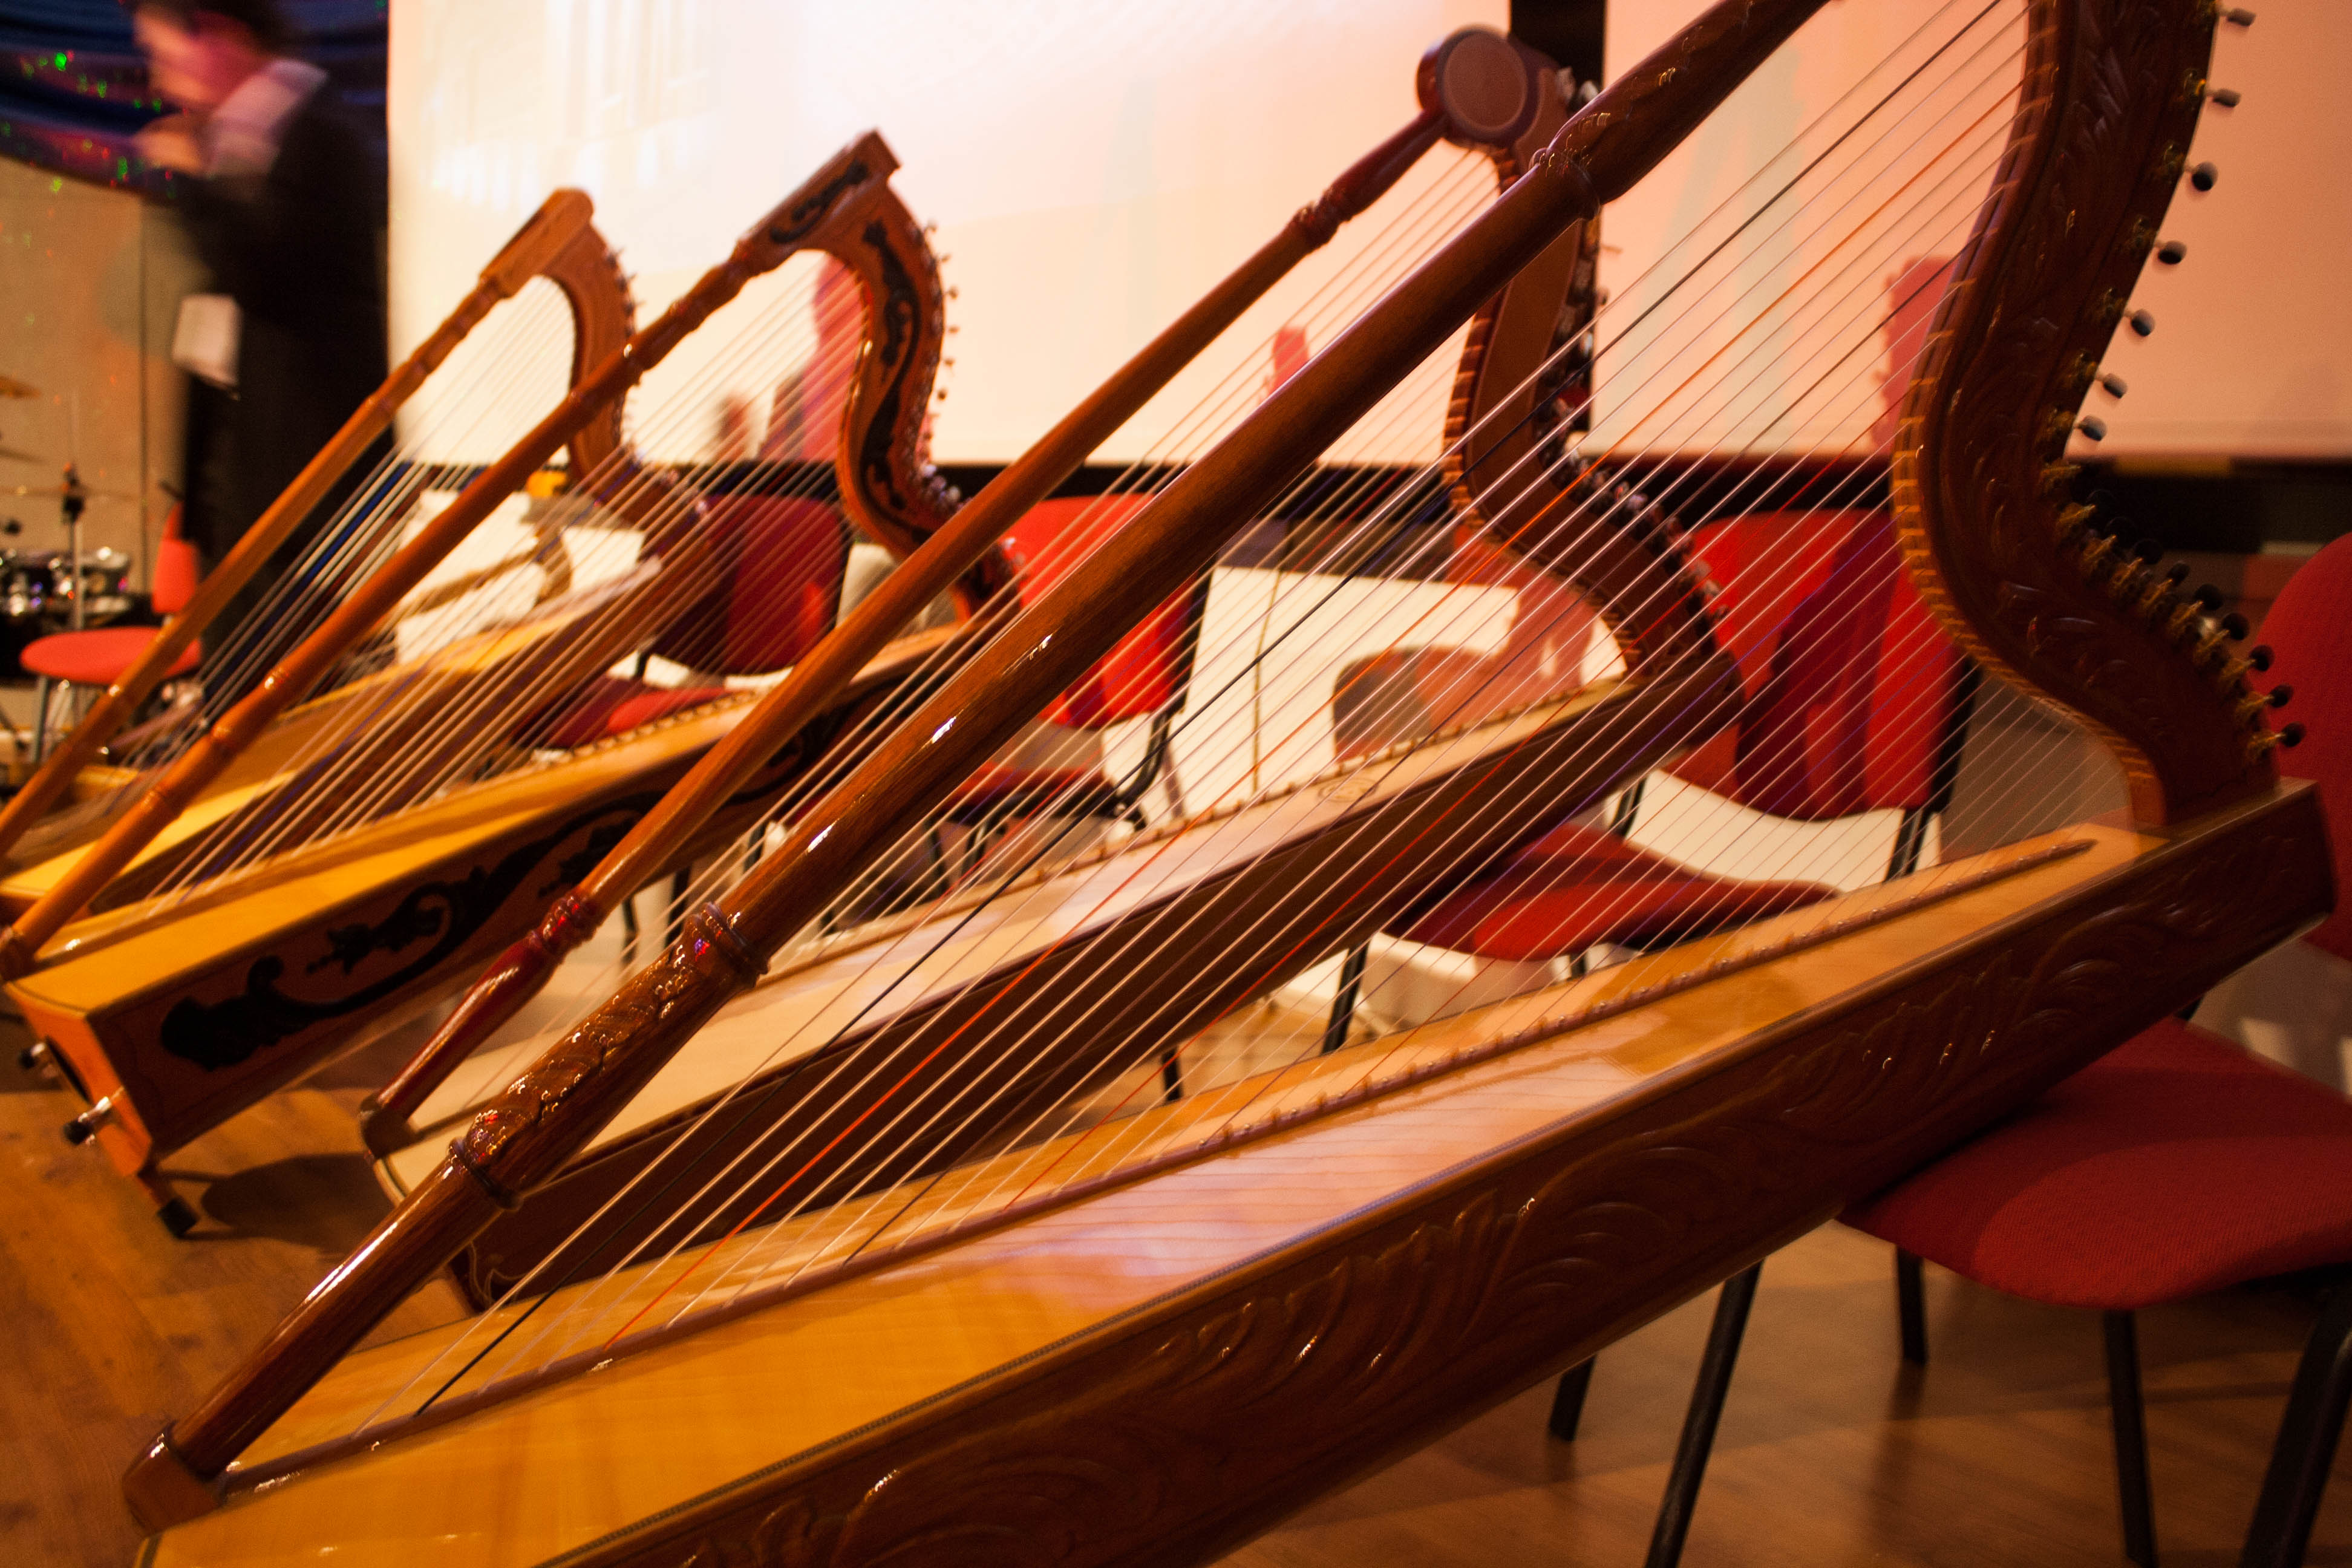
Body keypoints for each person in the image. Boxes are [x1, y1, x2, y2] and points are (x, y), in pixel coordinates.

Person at [130, 0, 387, 691]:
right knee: (230, 695)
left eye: (165, 55)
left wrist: (192, 182)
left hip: (302, 479)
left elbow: (262, 273)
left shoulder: (323, 135)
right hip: (235, 475)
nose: (159, 79)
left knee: (285, 704)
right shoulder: (235, 138)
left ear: (218, 35)